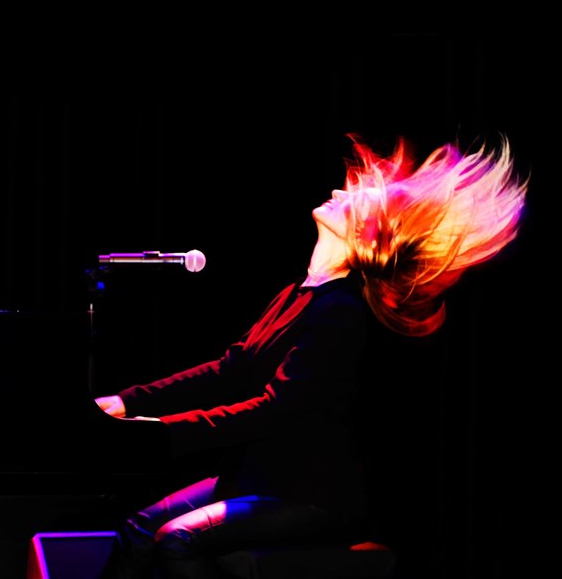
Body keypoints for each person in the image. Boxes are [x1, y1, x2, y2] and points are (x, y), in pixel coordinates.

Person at [94, 132, 529, 578]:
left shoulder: (340, 311)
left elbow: (274, 410)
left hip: (312, 496)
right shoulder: (297, 294)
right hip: (260, 479)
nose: (339, 191)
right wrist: (128, 401)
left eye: (352, 200)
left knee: (177, 540)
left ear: (362, 231)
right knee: (138, 528)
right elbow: (230, 369)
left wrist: (162, 431)